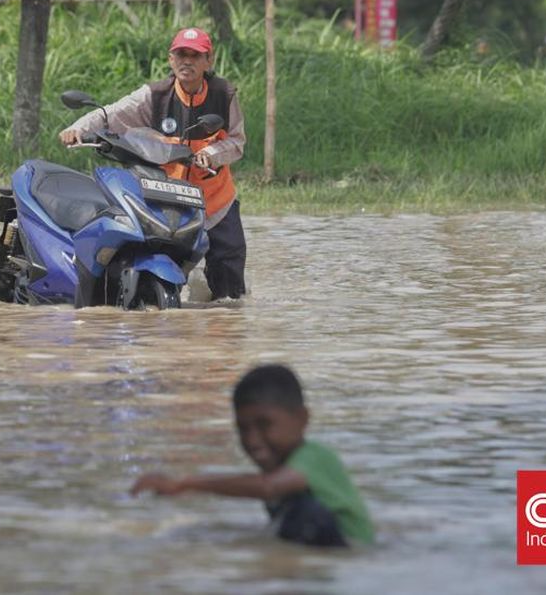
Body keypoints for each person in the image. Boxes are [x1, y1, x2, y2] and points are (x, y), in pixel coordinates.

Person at [59, 28, 248, 299]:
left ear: (209, 61)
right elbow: (112, 113)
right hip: (167, 196)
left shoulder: (224, 95)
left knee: (230, 274)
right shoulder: (155, 95)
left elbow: (237, 141)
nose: (187, 61)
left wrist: (212, 153)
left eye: (195, 56)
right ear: (171, 59)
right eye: (181, 54)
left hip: (214, 201)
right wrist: (78, 128)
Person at [130, 364, 376, 548]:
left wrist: (184, 483)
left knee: (304, 513)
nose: (252, 440)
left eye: (264, 425)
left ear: (302, 419)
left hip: (350, 557)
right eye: (243, 428)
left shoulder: (314, 456)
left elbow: (268, 488)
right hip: (329, 553)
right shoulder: (283, 466)